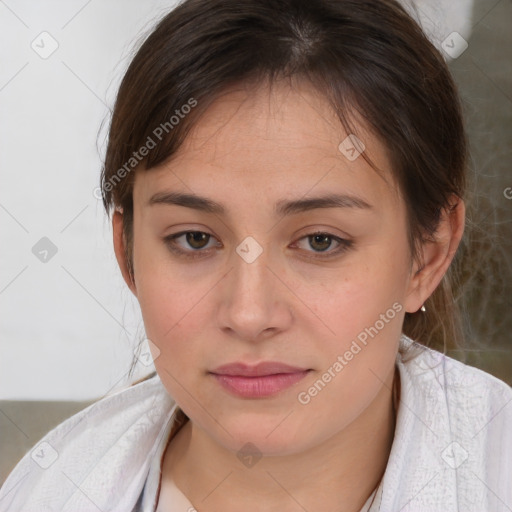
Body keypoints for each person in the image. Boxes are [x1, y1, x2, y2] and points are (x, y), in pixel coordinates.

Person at [0, 0, 510, 511]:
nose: (249, 314)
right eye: (194, 239)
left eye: (320, 241)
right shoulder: (45, 491)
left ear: (426, 256)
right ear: (127, 252)